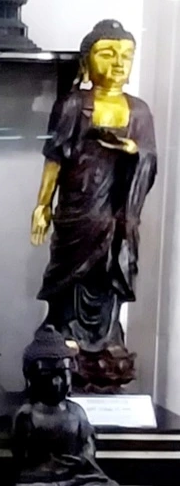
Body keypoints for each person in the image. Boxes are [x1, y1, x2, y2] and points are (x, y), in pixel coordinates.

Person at [30, 20, 156, 384]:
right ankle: (65, 332)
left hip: (118, 212)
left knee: (110, 273)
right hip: (79, 207)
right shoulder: (74, 104)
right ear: (87, 61)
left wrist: (131, 150)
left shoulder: (139, 110)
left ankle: (107, 339)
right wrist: (42, 205)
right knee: (72, 274)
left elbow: (149, 159)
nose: (117, 63)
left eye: (126, 56)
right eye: (107, 54)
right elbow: (55, 157)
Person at [12, 328, 125, 486]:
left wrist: (81, 461)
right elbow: (22, 459)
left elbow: (88, 449)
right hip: (44, 483)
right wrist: (48, 468)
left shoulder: (77, 412)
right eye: (46, 375)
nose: (56, 382)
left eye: (62, 373)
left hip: (77, 480)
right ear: (30, 377)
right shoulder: (27, 414)